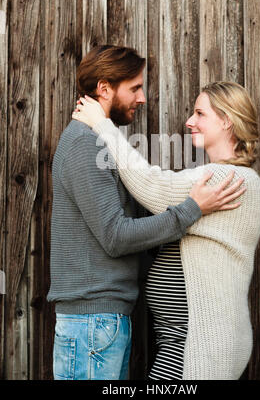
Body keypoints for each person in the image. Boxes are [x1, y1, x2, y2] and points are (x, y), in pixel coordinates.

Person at [47, 45, 246, 381]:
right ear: (105, 88)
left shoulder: (101, 142)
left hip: (101, 322)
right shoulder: (84, 143)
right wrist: (191, 211)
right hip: (92, 324)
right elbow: (115, 236)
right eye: (135, 88)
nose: (142, 98)